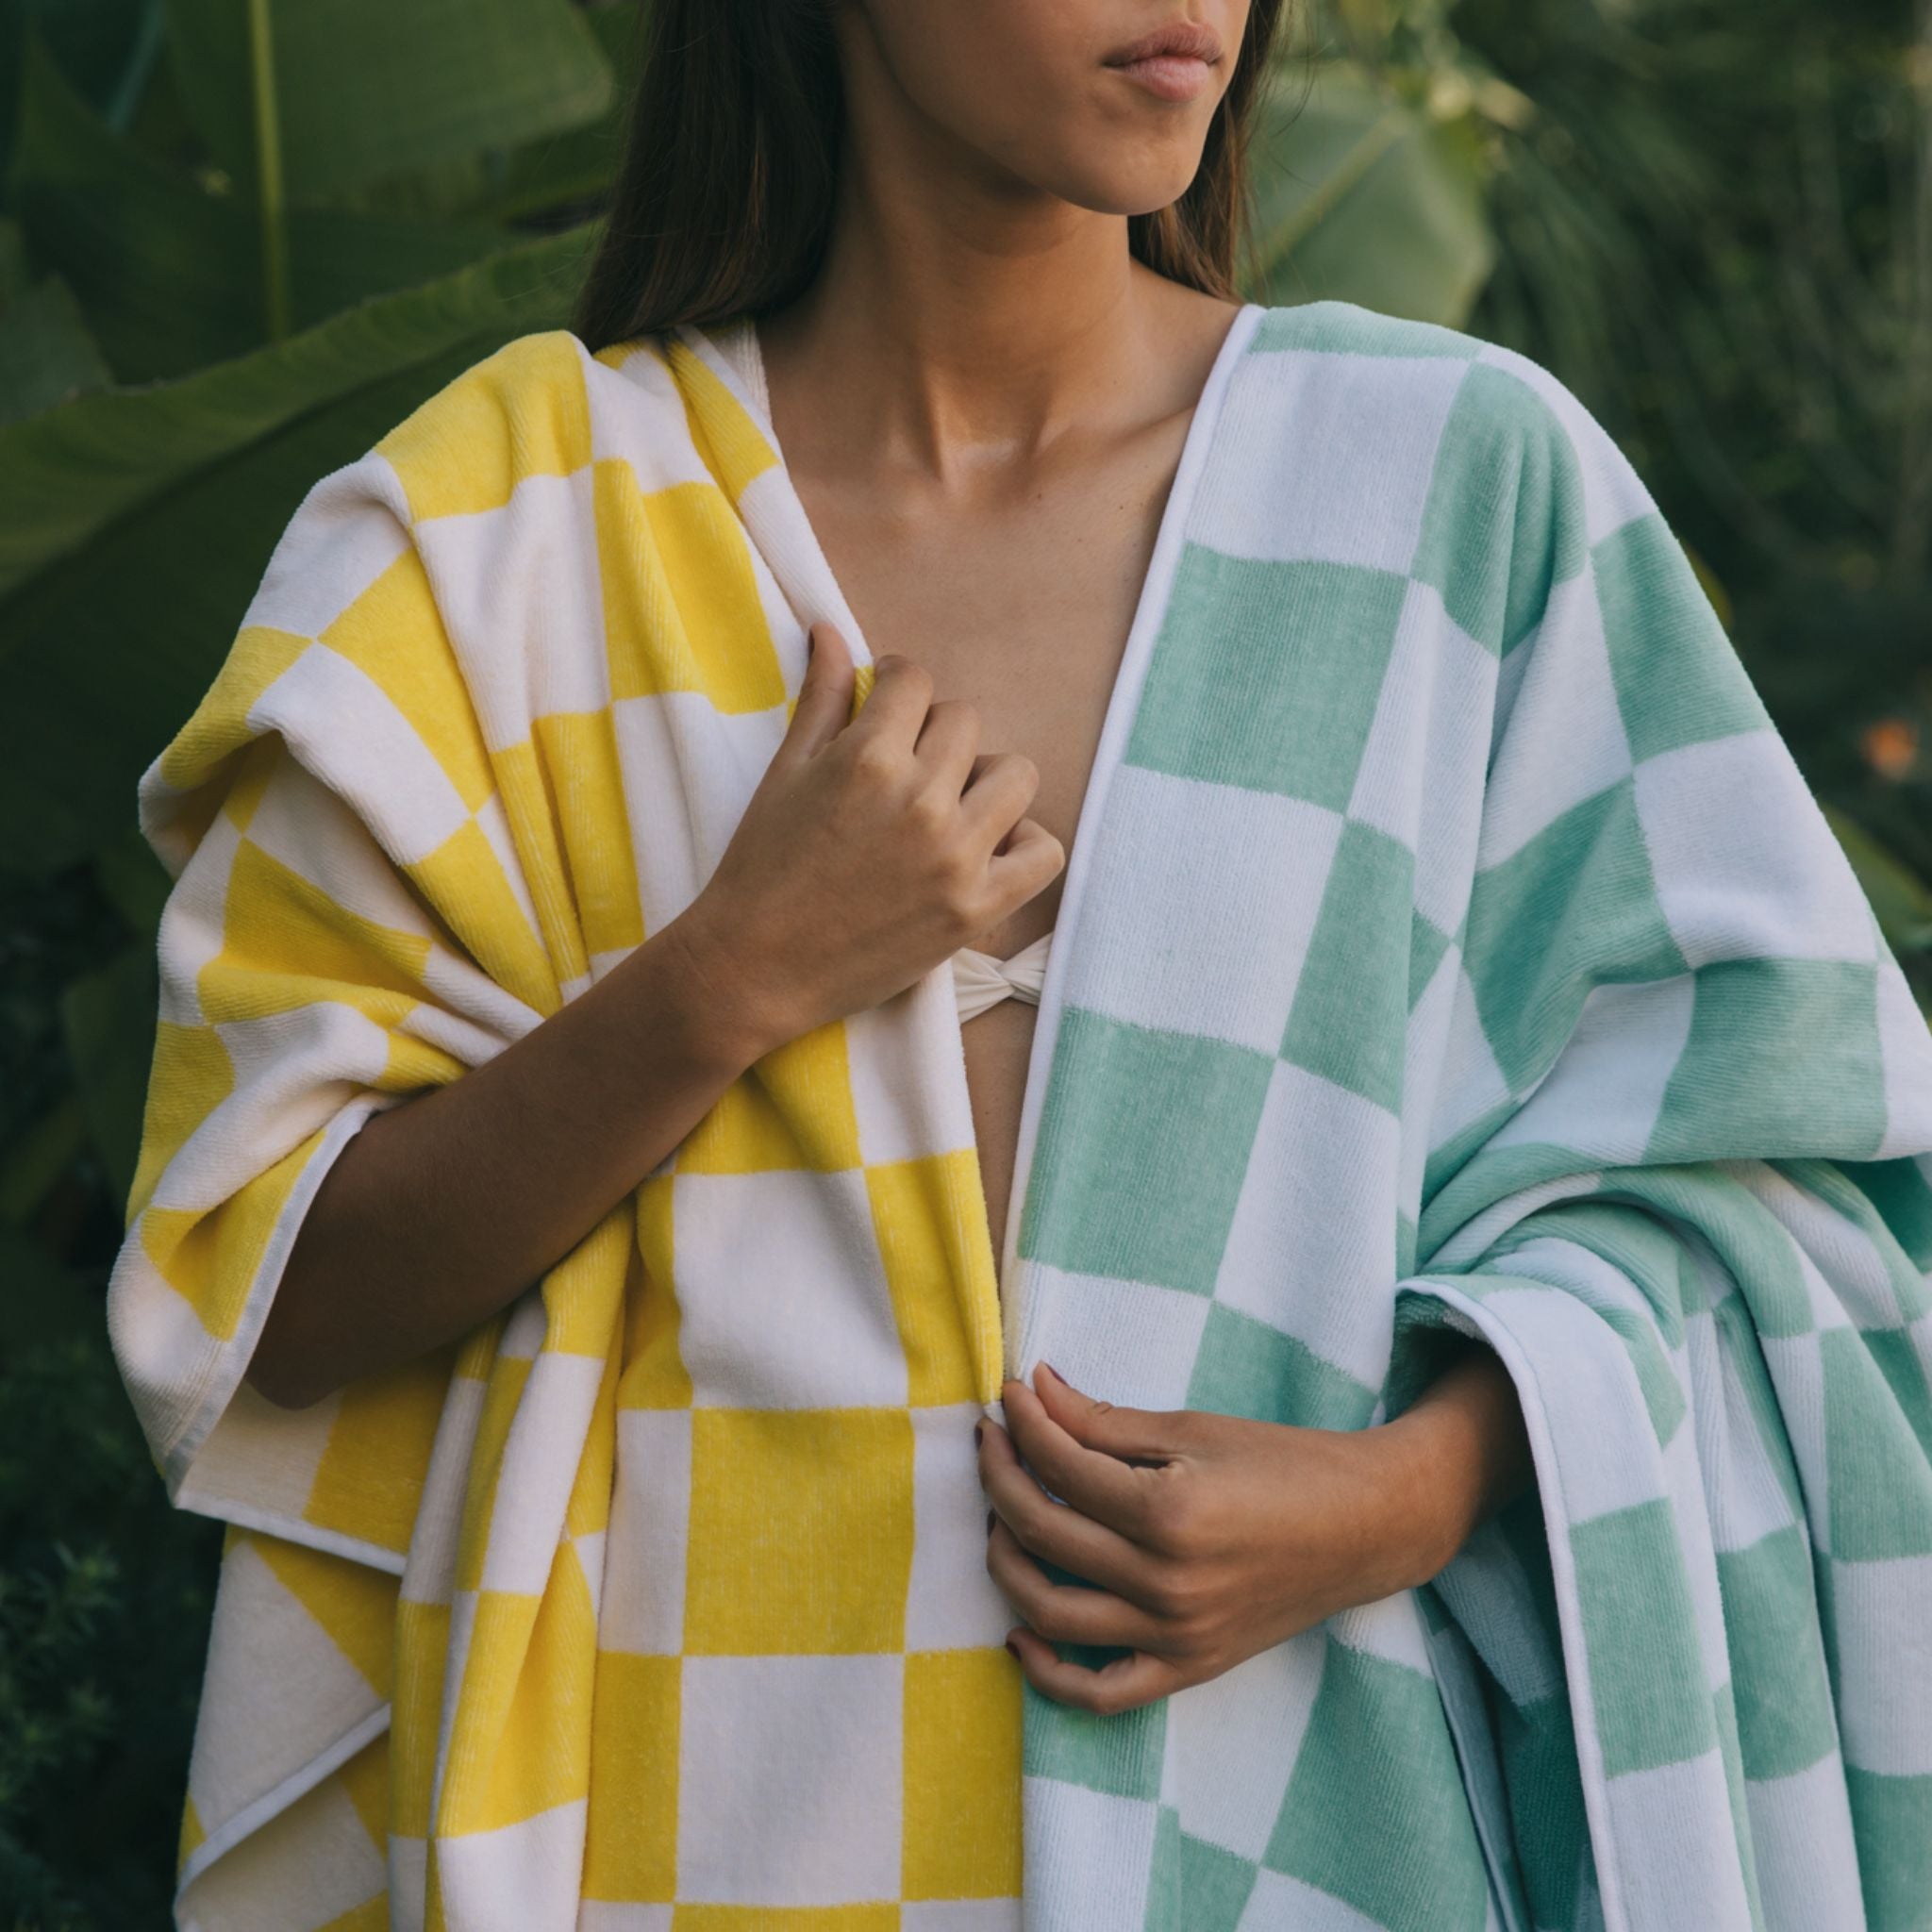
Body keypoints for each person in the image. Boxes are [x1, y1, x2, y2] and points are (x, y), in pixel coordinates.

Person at [107, 2, 1932, 1929]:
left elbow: (1790, 1190)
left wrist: (1407, 1491)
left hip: (1301, 1852)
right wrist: (727, 977)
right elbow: (264, 1287)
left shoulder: (1453, 493)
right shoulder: (500, 543)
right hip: (675, 1847)